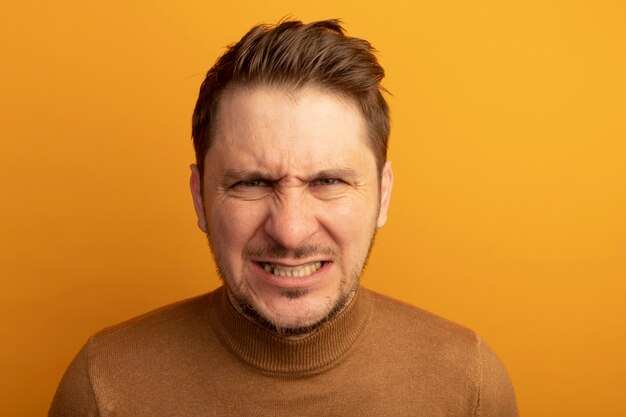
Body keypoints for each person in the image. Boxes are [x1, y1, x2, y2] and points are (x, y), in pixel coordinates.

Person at [49, 19, 518, 416]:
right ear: (199, 198)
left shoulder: (469, 388)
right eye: (252, 183)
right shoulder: (102, 388)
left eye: (329, 182)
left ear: (384, 194)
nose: (290, 231)